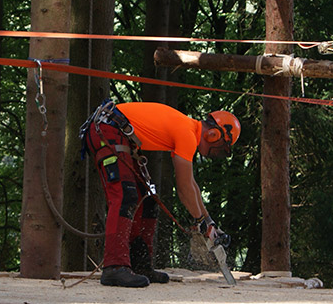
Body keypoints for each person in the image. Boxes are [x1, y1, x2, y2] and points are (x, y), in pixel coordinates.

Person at [80, 100, 240, 287]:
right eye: (222, 147)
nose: (217, 153)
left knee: (147, 201)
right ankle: (114, 267)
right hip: (107, 128)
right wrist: (199, 223)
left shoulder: (188, 130)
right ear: (213, 135)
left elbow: (191, 184)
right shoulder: (188, 134)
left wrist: (208, 221)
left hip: (118, 132)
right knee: (126, 195)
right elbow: (184, 188)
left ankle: (139, 265)